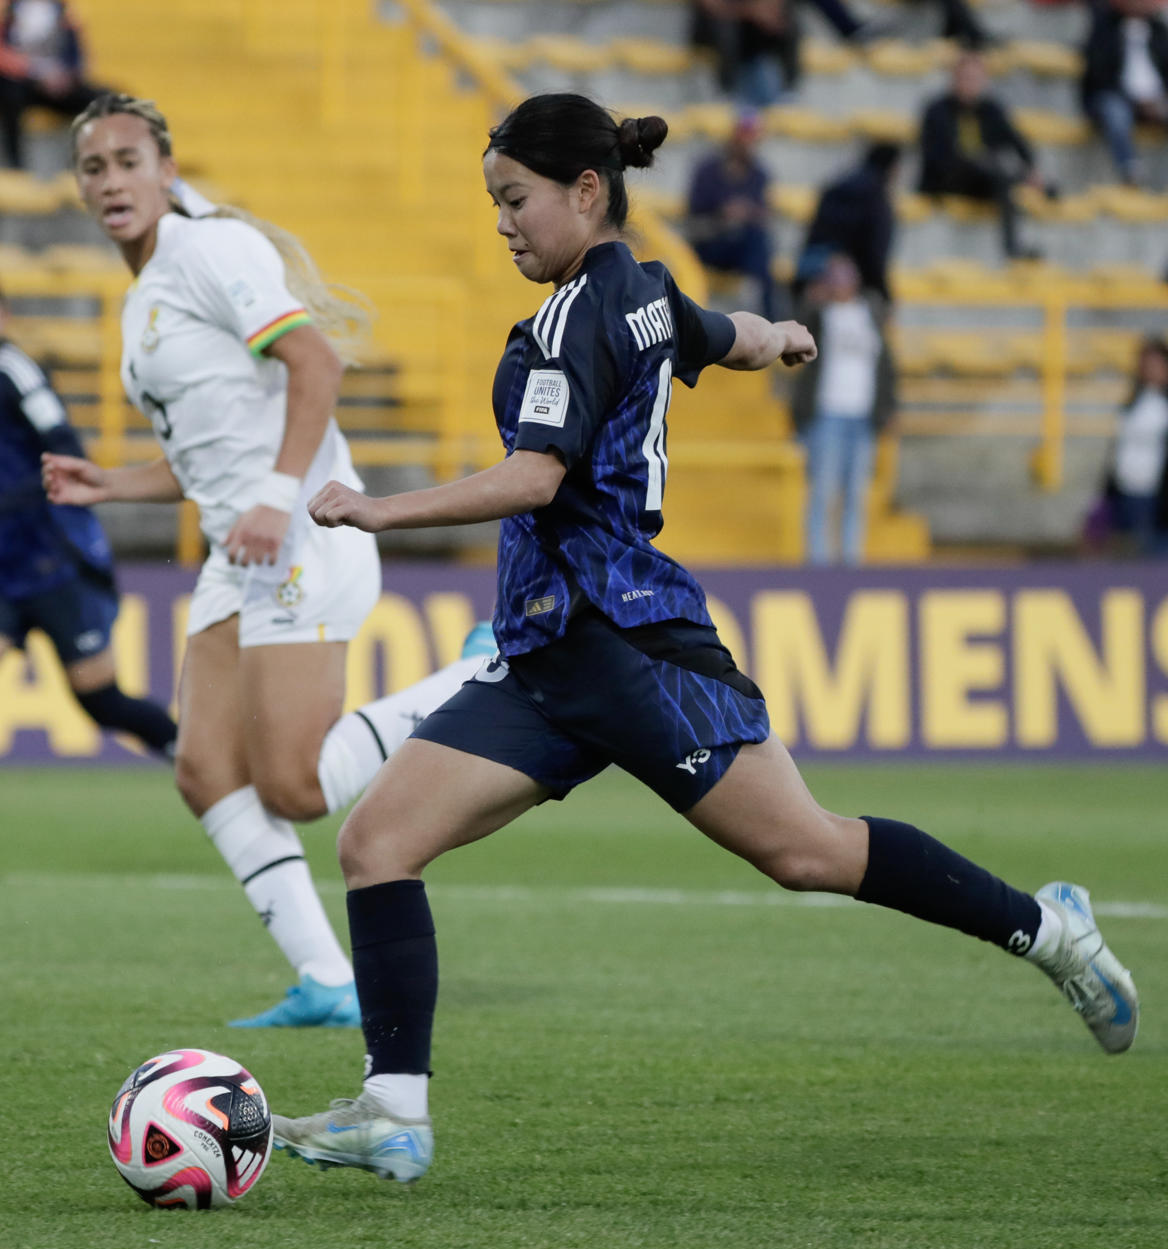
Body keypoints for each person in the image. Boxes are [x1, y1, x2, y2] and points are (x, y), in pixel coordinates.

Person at [269, 93, 1139, 1184]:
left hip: (635, 647)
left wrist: (376, 507)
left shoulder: (573, 319)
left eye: (515, 198)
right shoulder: (643, 287)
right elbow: (717, 333)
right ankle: (393, 1110)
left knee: (806, 849)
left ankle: (1050, 928)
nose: (503, 222)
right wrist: (779, 339)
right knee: (375, 843)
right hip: (547, 656)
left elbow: (534, 475)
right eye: (494, 201)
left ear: (586, 191)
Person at [47, 93, 496, 1028]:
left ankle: (475, 675)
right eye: (95, 168)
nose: (112, 181)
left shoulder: (208, 251)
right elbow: (214, 449)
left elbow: (316, 366)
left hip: (297, 538)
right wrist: (111, 486)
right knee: (205, 771)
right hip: (240, 547)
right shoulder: (147, 293)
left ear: (167, 170)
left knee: (291, 787)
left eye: (130, 161)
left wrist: (278, 495)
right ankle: (328, 982)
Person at [0, 265, 180, 878]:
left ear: (2, 318)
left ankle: (193, 757)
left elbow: (67, 453)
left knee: (100, 703)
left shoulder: (17, 375)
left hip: (55, 561)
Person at [792, 253, 896, 564]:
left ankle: (851, 561)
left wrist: (888, 408)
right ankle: (818, 562)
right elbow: (794, 329)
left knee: (855, 494)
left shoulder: (870, 313)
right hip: (827, 414)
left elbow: (886, 365)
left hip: (863, 416)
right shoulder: (820, 314)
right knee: (822, 491)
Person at [918, 50, 1048, 260]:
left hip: (985, 178)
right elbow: (937, 158)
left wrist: (1031, 167)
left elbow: (1017, 142)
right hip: (948, 180)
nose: (970, 84)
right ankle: (1013, 247)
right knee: (997, 167)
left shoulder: (991, 109)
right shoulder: (937, 110)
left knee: (1005, 172)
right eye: (966, 78)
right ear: (954, 79)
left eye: (975, 79)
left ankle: (1016, 243)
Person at [0, 0, 105, 168]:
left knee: (103, 99)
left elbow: (77, 56)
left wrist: (65, 76)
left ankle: (82, 166)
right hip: (12, 80)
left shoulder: (64, 9)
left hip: (53, 82)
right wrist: (33, 72)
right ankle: (13, 167)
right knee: (11, 96)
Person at [685, 111, 777, 316]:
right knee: (757, 244)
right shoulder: (708, 171)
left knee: (758, 241)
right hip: (711, 242)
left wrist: (746, 213)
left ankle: (762, 305)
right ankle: (764, 310)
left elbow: (763, 216)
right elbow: (693, 223)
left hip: (741, 245)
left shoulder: (759, 174)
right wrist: (722, 216)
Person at [1081, 0, 1168, 188]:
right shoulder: (1105, 28)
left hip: (1155, 100)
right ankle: (1130, 169)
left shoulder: (1158, 30)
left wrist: (1157, 101)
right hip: (1116, 96)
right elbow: (1097, 72)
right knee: (1116, 113)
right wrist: (1136, 101)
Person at [799, 142, 899, 302]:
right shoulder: (875, 197)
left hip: (810, 266)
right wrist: (883, 292)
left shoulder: (837, 185)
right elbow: (873, 251)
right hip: (845, 274)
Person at [1102, 334, 1168, 551]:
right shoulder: (1134, 402)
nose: (1149, 370)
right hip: (1124, 493)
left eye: (1155, 364)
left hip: (1153, 500)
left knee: (1150, 564)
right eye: (1145, 364)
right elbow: (1119, 448)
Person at [688, 0, 801, 108]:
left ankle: (789, 92)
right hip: (716, 26)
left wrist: (768, 13)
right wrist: (751, 12)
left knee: (788, 26)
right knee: (726, 32)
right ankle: (727, 92)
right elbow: (711, 6)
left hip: (748, 28)